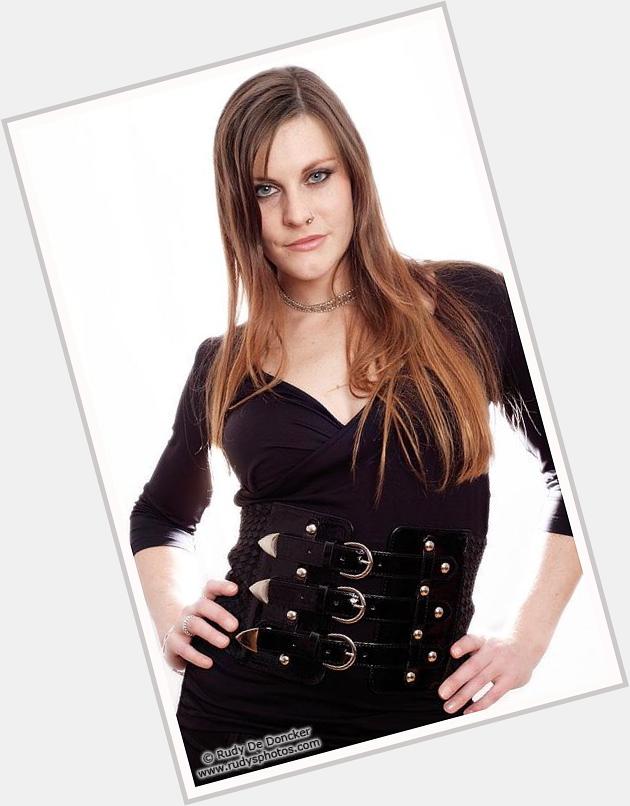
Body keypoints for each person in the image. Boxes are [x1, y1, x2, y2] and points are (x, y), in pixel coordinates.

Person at [130, 66, 582, 786]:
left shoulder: (470, 306)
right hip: (244, 722)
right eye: (265, 189)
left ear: (354, 177)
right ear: (238, 207)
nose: (297, 214)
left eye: (317, 176)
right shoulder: (223, 364)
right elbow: (159, 515)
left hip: (422, 712)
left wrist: (529, 638)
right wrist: (172, 616)